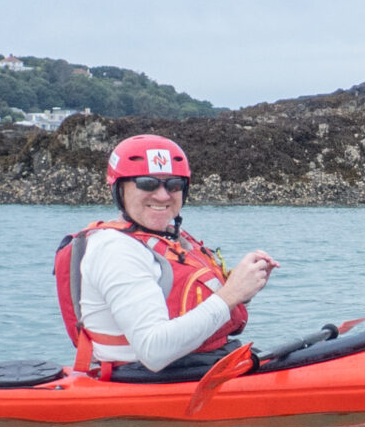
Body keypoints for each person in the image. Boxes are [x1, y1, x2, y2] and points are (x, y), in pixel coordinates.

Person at [53, 134, 277, 376]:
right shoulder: (115, 250)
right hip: (147, 378)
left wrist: (243, 286)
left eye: (174, 185)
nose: (162, 195)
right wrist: (231, 294)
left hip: (196, 365)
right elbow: (154, 351)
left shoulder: (166, 238)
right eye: (147, 183)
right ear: (119, 189)